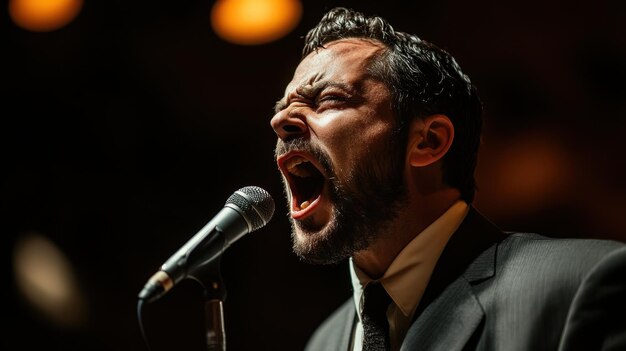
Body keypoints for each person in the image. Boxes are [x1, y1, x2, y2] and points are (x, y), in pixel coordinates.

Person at [269, 7, 626, 351]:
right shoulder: (324, 342)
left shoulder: (583, 282)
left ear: (429, 141)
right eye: (282, 107)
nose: (281, 121)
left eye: (328, 99)